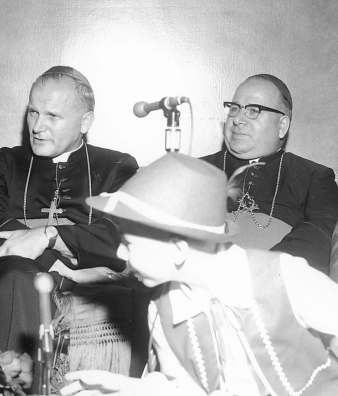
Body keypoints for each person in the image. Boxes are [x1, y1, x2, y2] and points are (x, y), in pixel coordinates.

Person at [60, 152, 338, 396]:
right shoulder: (164, 309)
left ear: (178, 249)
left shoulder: (282, 277)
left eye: (128, 244)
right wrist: (143, 390)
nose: (120, 254)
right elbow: (188, 388)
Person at [0, 66, 140, 371]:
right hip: (8, 287)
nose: (37, 127)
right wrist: (60, 269)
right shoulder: (2, 162)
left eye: (52, 116)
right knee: (18, 274)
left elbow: (118, 235)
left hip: (93, 293)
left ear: (85, 122)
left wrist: (49, 235)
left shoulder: (117, 166)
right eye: (33, 112)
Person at [201, 74, 338, 274]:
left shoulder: (314, 177)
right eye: (234, 108)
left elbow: (322, 234)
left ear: (282, 126)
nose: (238, 119)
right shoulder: (197, 169)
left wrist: (255, 273)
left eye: (254, 110)